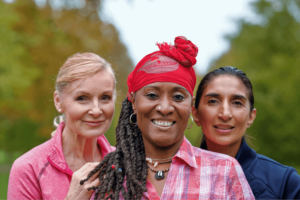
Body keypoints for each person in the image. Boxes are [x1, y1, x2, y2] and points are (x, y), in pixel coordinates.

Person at [81, 37, 254, 200]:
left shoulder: (224, 171)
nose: (164, 108)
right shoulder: (105, 177)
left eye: (178, 97)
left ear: (191, 106)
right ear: (133, 101)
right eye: (152, 95)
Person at [7, 53, 116, 200]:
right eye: (82, 98)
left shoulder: (128, 165)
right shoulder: (28, 168)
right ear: (58, 101)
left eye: (105, 97)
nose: (96, 110)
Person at [192, 66, 300, 199]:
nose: (225, 114)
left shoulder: (285, 182)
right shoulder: (173, 176)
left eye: (237, 103)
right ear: (196, 114)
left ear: (251, 116)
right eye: (213, 101)